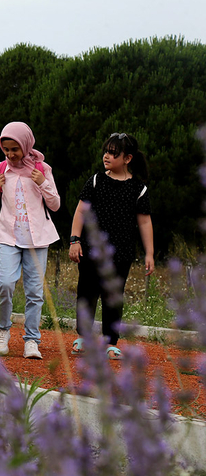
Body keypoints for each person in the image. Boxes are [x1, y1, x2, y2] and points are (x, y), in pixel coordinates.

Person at [68, 133, 154, 360]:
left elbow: (144, 221)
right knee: (86, 293)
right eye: (106, 150)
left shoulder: (139, 189)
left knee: (112, 296)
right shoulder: (96, 181)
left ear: (127, 158)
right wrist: (74, 240)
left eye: (113, 153)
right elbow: (80, 211)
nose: (106, 155)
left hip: (121, 253)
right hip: (90, 249)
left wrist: (150, 253)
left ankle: (110, 342)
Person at [0, 122, 60, 359]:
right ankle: (2, 332)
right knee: (5, 284)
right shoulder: (0, 169)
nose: (10, 154)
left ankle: (31, 339)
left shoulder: (41, 169)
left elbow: (55, 204)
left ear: (26, 145)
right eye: (6, 149)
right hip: (9, 236)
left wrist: (42, 182)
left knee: (34, 292)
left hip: (37, 240)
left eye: (14, 149)